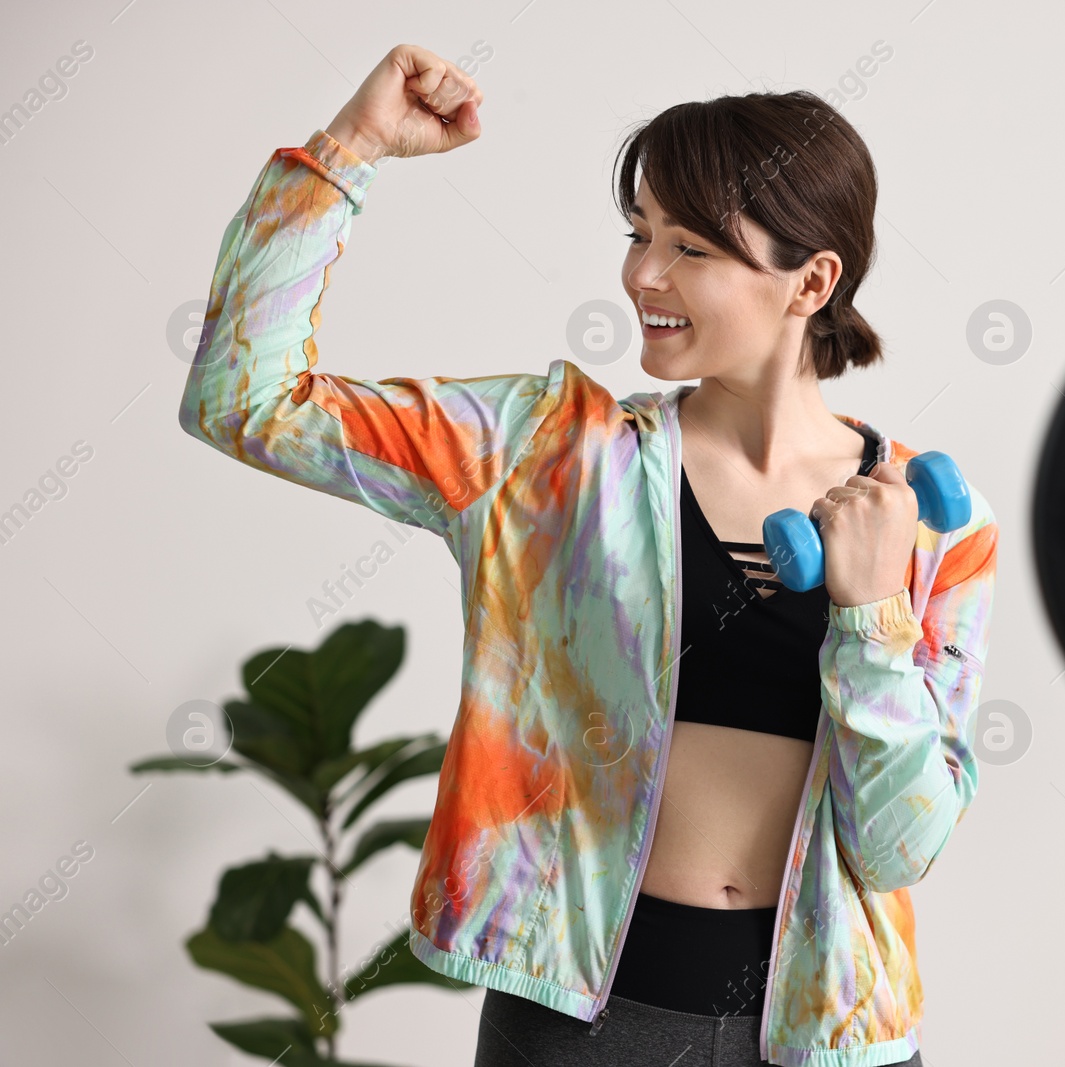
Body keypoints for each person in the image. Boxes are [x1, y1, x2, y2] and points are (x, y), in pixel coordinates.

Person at [180, 43, 998, 1067]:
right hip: (583, 1027)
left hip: (828, 1026)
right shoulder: (544, 455)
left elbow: (898, 845)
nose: (642, 274)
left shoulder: (932, 522)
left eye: (693, 247)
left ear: (811, 280)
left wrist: (873, 614)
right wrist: (350, 150)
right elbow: (242, 401)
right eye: (638, 233)